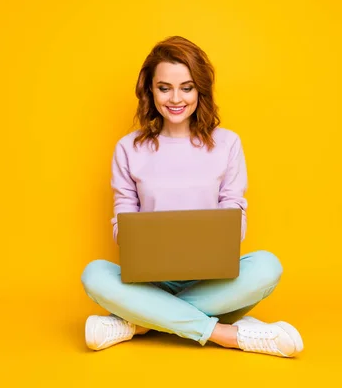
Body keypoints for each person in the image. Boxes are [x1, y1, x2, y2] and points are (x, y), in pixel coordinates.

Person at [81, 36, 304, 357]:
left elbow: (235, 218)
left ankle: (139, 322)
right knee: (95, 274)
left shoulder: (227, 144)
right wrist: (136, 236)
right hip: (148, 284)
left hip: (212, 282)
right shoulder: (128, 148)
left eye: (186, 87)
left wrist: (213, 236)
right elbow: (122, 224)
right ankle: (226, 335)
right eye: (164, 87)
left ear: (200, 90)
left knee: (268, 266)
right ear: (150, 90)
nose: (176, 98)